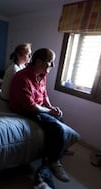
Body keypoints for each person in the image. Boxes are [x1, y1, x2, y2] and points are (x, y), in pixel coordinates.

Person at [9, 48, 80, 182]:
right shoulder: (21, 78)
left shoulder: (42, 74)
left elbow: (44, 94)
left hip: (38, 107)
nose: (53, 66)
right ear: (40, 62)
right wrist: (48, 111)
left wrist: (51, 107)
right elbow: (30, 106)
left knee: (59, 117)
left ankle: (60, 148)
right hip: (24, 110)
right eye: (50, 62)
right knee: (57, 128)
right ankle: (53, 161)